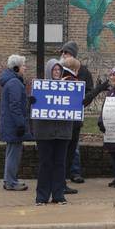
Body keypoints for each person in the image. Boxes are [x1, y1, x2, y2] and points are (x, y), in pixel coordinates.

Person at [59, 41, 107, 186]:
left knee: (74, 147)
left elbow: (86, 95)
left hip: (75, 117)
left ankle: (74, 172)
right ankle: (61, 177)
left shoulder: (84, 72)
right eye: (62, 53)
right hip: (61, 118)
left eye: (65, 53)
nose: (62, 55)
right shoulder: (58, 70)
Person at [32, 59, 74, 205]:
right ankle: (41, 196)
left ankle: (58, 195)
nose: (56, 73)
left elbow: (74, 106)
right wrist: (31, 102)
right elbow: (32, 110)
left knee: (59, 164)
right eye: (54, 70)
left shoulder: (68, 88)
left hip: (63, 133)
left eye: (58, 70)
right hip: (44, 133)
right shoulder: (40, 88)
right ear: (49, 71)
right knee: (45, 164)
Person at [0, 54, 29, 191]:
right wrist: (21, 124)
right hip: (13, 125)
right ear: (16, 68)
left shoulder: (10, 81)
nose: (25, 68)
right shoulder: (15, 83)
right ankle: (11, 182)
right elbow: (15, 105)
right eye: (23, 65)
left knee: (11, 152)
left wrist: (29, 100)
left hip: (9, 124)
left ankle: (9, 180)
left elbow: (17, 102)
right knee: (14, 154)